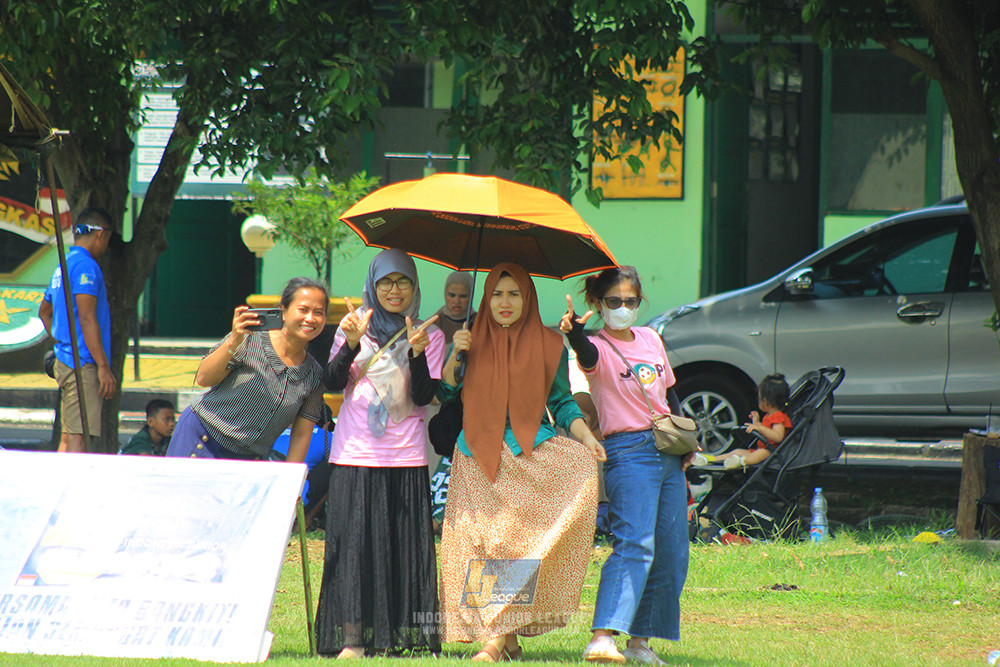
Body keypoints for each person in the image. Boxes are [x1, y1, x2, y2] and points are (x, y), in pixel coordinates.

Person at [438, 263, 604, 663]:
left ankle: (496, 638)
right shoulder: (469, 339)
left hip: (527, 454)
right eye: (497, 293)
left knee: (516, 546)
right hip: (475, 453)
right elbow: (446, 393)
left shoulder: (549, 344)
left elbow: (562, 403)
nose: (505, 302)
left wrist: (586, 438)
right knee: (482, 546)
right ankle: (505, 636)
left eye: (514, 294)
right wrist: (456, 352)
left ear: (527, 298)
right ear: (487, 298)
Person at [559, 265, 691, 665]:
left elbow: (669, 394)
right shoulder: (596, 344)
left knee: (671, 551)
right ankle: (602, 637)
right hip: (628, 451)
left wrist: (686, 442)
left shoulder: (651, 338)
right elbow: (585, 355)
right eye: (613, 302)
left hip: (667, 448)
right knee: (634, 543)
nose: (622, 308)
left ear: (640, 302)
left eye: (630, 301)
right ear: (597, 305)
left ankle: (639, 642)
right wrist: (574, 333)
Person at [315, 248, 443, 659]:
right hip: (355, 452)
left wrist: (419, 352)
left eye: (402, 281)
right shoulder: (354, 328)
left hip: (405, 455)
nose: (394, 290)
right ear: (373, 284)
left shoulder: (429, 334)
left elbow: (424, 396)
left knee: (402, 550)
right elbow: (333, 384)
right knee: (353, 549)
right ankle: (352, 640)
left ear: (414, 287)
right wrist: (351, 342)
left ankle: (399, 639)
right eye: (385, 282)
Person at [165, 277, 328, 462]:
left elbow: (301, 434)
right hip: (201, 440)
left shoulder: (314, 375)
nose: (310, 318)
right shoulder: (250, 338)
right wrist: (234, 340)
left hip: (249, 460)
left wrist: (290, 479)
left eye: (318, 312)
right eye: (303, 310)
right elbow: (204, 378)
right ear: (283, 311)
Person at [38, 207, 117, 453]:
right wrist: (103, 367)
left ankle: (58, 489)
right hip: (82, 363)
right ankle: (72, 491)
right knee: (79, 438)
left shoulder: (62, 265)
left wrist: (61, 341)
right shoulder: (86, 267)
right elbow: (86, 317)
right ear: (101, 235)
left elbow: (44, 311)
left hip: (66, 359)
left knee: (69, 434)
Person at [713, 373, 792, 470]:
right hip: (762, 448)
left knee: (759, 454)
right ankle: (712, 459)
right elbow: (767, 430)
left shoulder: (778, 417)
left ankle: (740, 462)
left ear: (766, 401)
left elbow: (778, 437)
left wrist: (760, 428)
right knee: (737, 451)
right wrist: (757, 422)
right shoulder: (769, 416)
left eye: (759, 398)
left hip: (771, 451)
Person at [433, 270, 477, 344]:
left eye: (463, 296)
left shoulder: (480, 323)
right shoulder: (434, 324)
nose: (457, 301)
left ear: (471, 296)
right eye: (452, 295)